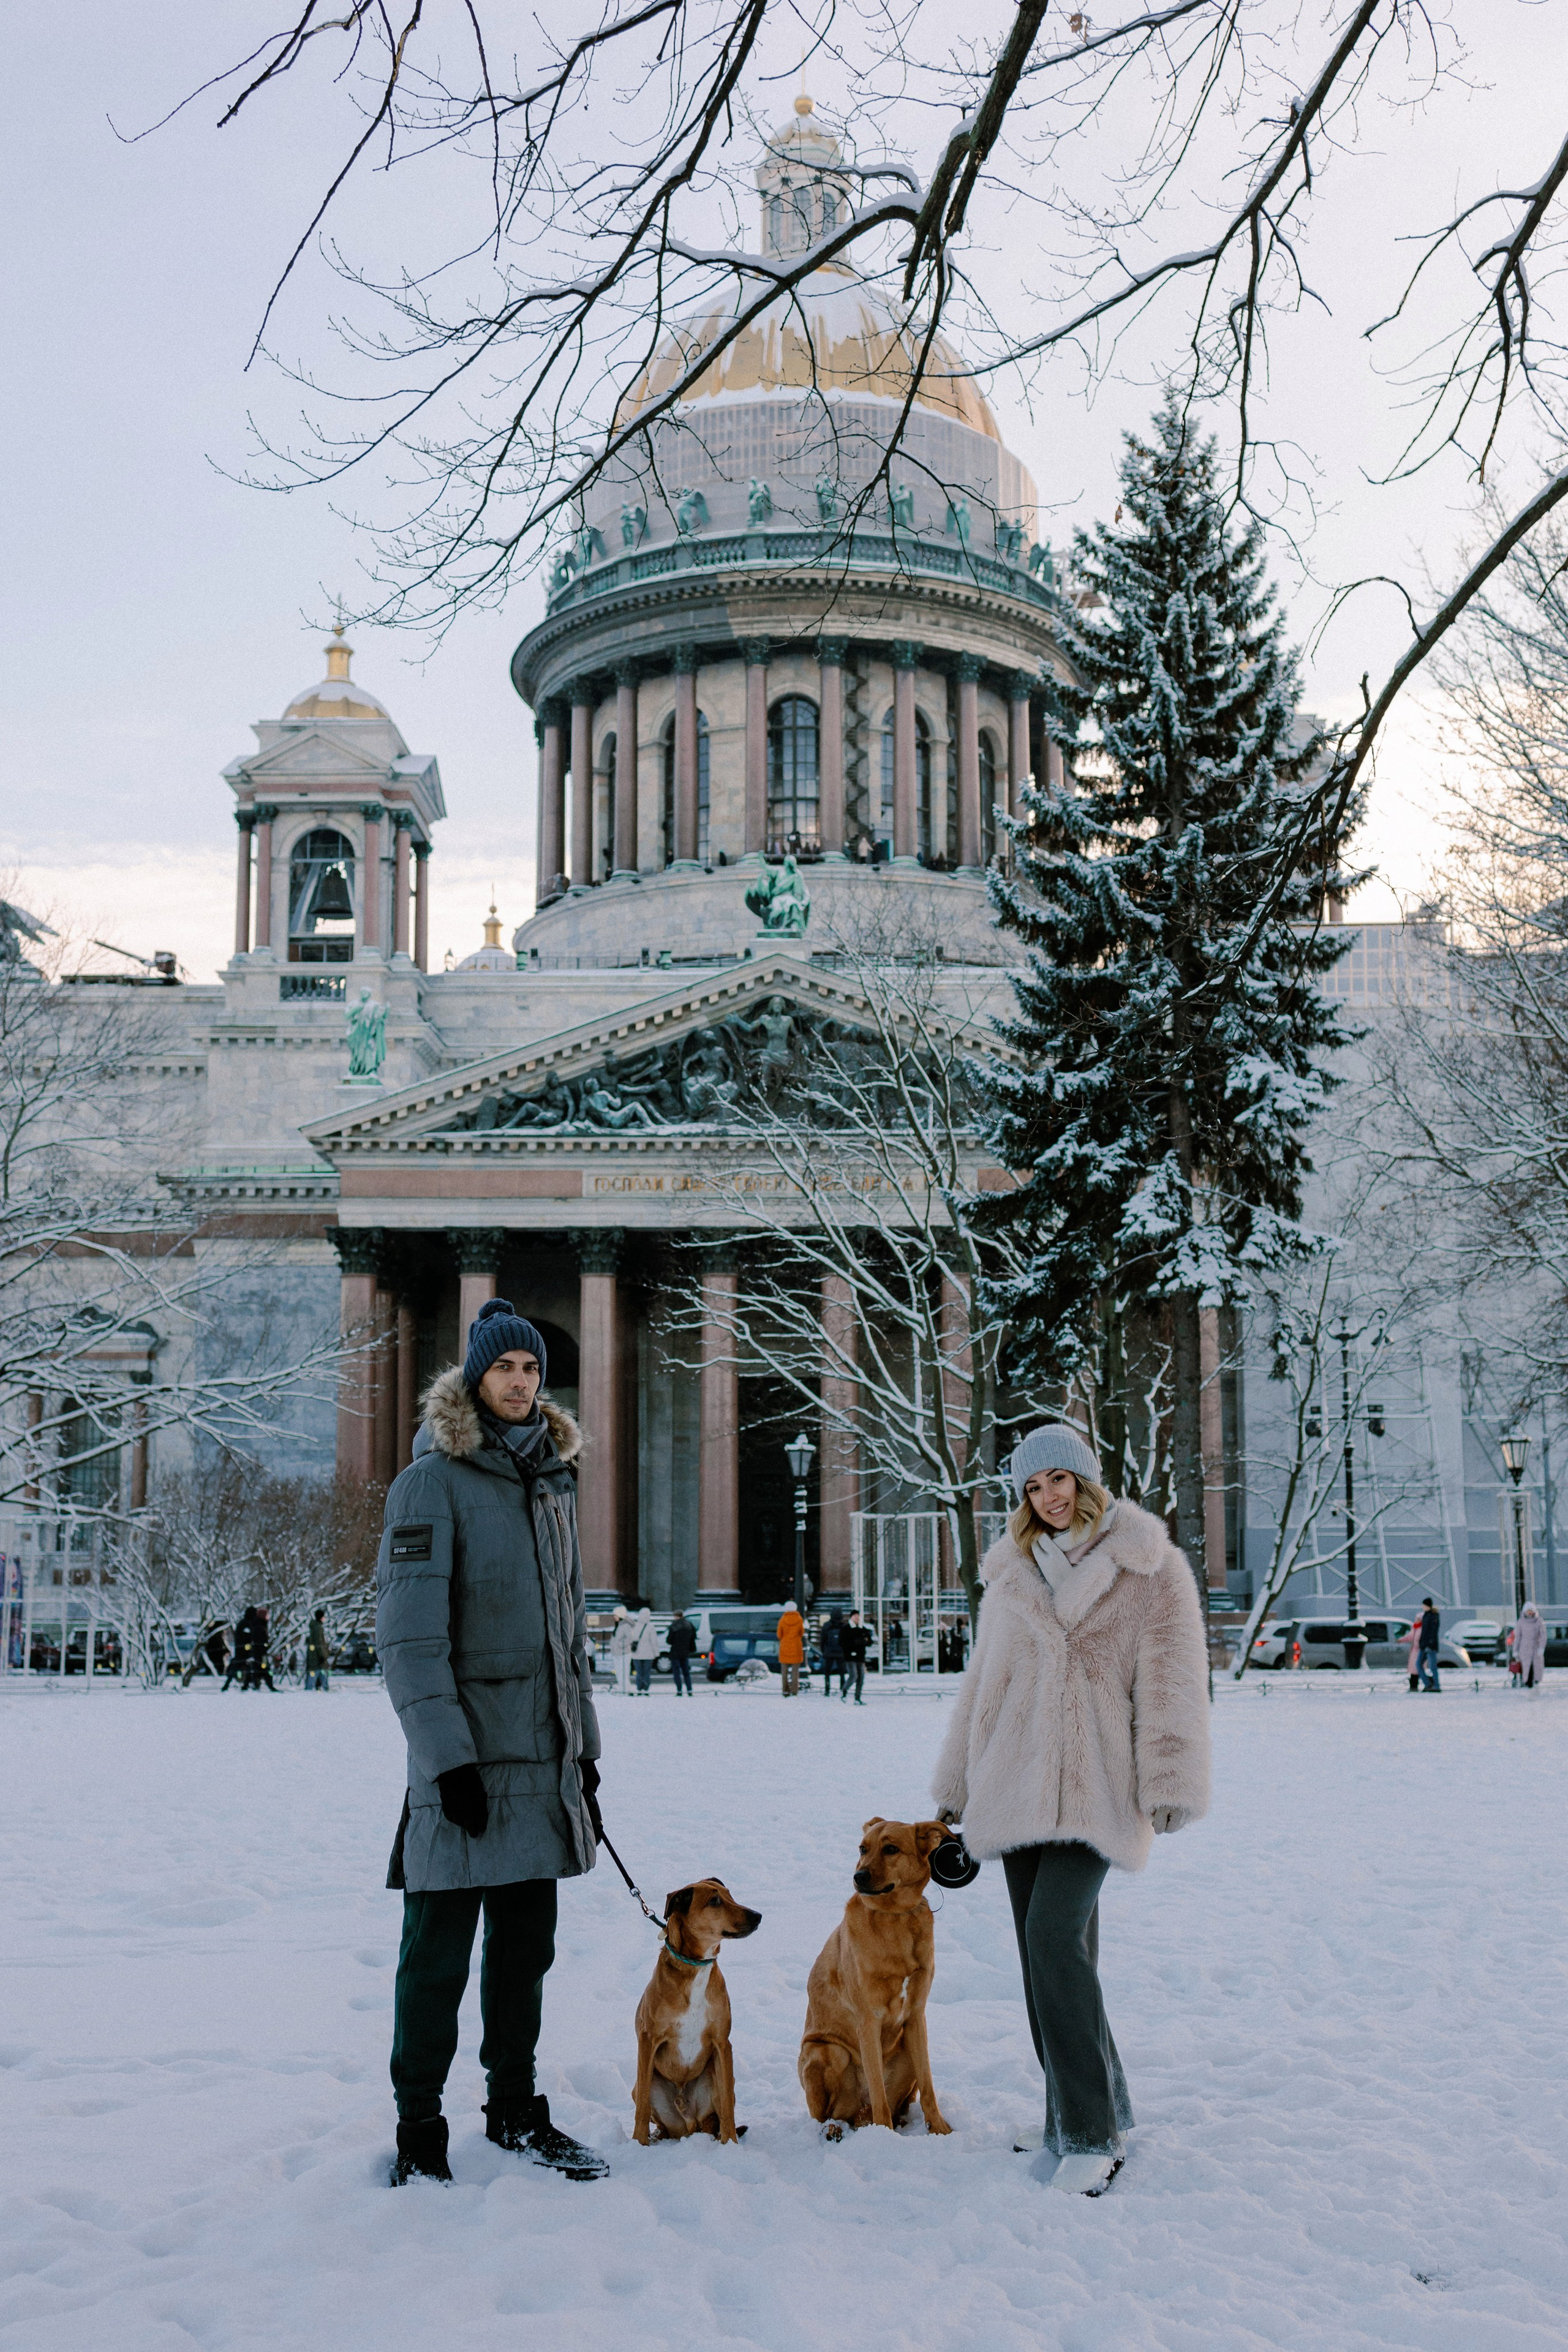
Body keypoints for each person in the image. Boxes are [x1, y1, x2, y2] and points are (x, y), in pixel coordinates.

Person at [930, 1422, 1210, 2198]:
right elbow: (983, 1690)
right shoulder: (1014, 1573)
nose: (1047, 1498)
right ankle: (1077, 2107)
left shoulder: (1149, 1569)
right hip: (1013, 1785)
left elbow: (1173, 1685)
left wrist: (1172, 1784)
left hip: (1098, 1788)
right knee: (1041, 1952)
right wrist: (954, 1787)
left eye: (1058, 1481)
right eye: (1031, 1487)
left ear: (1086, 1482)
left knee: (1055, 1940)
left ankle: (1091, 2135)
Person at [375, 1297, 608, 2188]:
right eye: (506, 1369)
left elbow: (569, 1635)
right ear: (475, 1379)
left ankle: (516, 2108)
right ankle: (419, 2129)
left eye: (533, 1370)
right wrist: (447, 1761)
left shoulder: (550, 1480)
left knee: (524, 1955)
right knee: (435, 1957)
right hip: (465, 1764)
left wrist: (582, 1750)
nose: (521, 1382)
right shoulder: (431, 1481)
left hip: (540, 1757)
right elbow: (408, 1640)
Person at [1514, 1600, 1547, 1690]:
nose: (1530, 1613)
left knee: (1537, 1665)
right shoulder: (1521, 1622)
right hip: (1525, 1648)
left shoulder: (1539, 1621)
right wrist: (1515, 1650)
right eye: (1528, 1611)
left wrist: (1541, 1648)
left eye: (1531, 1611)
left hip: (1536, 1647)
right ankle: (1527, 1682)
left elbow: (1543, 1635)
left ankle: (1536, 1681)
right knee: (1526, 1666)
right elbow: (1518, 1637)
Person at [630, 1605, 660, 1696]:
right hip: (648, 1654)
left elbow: (631, 1639)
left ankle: (639, 1688)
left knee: (639, 1673)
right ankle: (646, 1689)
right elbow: (654, 1642)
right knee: (646, 1672)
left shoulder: (634, 1626)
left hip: (636, 1654)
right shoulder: (651, 1627)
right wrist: (656, 1653)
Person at [666, 1608, 697, 1697]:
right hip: (686, 1651)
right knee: (686, 1672)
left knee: (677, 1673)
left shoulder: (674, 1626)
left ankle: (679, 1691)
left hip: (675, 1652)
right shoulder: (689, 1625)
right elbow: (693, 1637)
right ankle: (689, 1690)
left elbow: (669, 1640)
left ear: (676, 1616)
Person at [776, 1600, 804, 1697]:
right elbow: (802, 1633)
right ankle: (795, 1690)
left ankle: (785, 1690)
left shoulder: (782, 1620)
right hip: (796, 1647)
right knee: (795, 1672)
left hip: (785, 1647)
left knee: (784, 1672)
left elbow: (779, 1635)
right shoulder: (799, 1619)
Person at [842, 1611, 870, 1704]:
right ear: (851, 1617)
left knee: (861, 1678)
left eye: (858, 1616)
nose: (857, 1618)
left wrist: (865, 1641)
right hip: (850, 1657)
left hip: (860, 1656)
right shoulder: (846, 1629)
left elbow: (870, 1641)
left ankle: (857, 1698)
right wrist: (855, 1642)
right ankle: (845, 1690)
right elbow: (842, 1642)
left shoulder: (862, 1629)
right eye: (855, 1616)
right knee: (854, 1675)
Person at [1416, 1596, 1442, 1692]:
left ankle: (1436, 1686)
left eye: (1424, 1605)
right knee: (1418, 1665)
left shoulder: (1434, 1616)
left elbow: (1433, 1632)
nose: (1423, 1607)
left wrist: (1430, 1644)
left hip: (1430, 1646)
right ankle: (1428, 1684)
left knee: (1432, 1667)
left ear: (1427, 1606)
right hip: (1424, 1645)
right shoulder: (1426, 1615)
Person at [819, 1608, 845, 1697]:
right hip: (841, 1652)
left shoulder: (827, 1626)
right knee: (842, 1671)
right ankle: (842, 1688)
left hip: (829, 1652)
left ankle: (827, 1688)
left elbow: (823, 1639)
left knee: (827, 1672)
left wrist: (823, 1650)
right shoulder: (843, 1626)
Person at [304, 1608, 331, 1691]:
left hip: (313, 1655)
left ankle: (317, 1687)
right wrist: (323, 1654)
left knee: (317, 1672)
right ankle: (323, 1688)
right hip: (317, 1656)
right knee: (320, 1671)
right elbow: (319, 1643)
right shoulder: (318, 1628)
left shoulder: (314, 1627)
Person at [609, 1605, 633, 1697]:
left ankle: (626, 1690)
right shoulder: (618, 1626)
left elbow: (630, 1638)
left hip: (624, 1653)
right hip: (617, 1653)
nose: (614, 1617)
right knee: (619, 1672)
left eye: (616, 1615)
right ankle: (622, 1689)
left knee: (624, 1672)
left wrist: (620, 1645)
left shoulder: (625, 1626)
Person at [1399, 1614, 1422, 1693]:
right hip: (1415, 1651)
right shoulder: (1416, 1627)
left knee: (1416, 1669)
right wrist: (1401, 1640)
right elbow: (1410, 1636)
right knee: (1415, 1669)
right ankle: (1414, 1685)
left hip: (1419, 1650)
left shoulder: (1421, 1628)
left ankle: (1415, 1685)